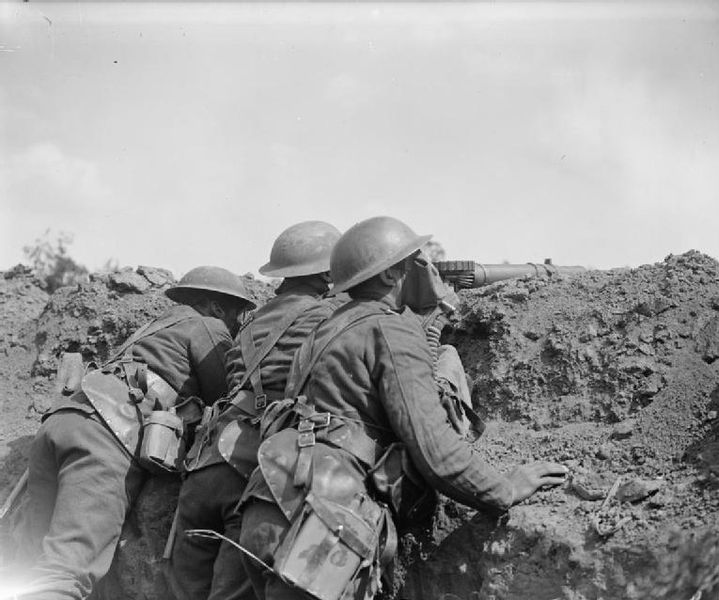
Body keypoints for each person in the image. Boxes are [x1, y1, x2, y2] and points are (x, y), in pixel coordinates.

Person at [237, 216, 568, 600]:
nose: (424, 269)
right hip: (324, 517)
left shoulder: (325, 329)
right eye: (417, 261)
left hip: (270, 502)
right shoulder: (388, 331)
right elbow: (434, 447)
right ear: (391, 274)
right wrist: (503, 489)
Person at [17, 266, 256, 600]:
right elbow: (226, 395)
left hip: (63, 419)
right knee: (65, 572)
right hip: (104, 432)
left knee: (28, 567)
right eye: (237, 314)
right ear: (218, 308)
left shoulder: (152, 328)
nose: (236, 322)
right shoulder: (209, 326)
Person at [169, 222, 342, 600]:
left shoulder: (246, 328)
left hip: (204, 468)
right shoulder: (327, 316)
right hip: (248, 468)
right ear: (329, 273)